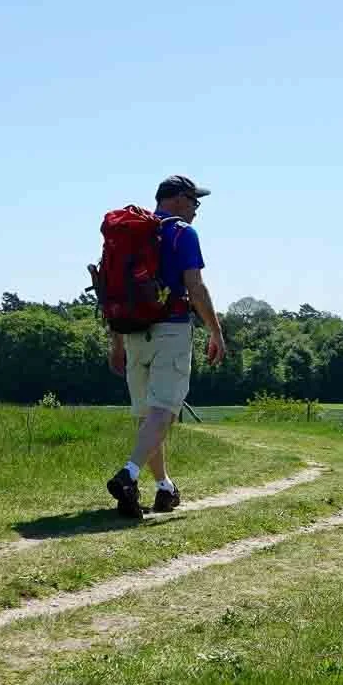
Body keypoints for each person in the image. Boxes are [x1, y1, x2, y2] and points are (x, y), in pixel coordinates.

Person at [106, 174, 227, 517]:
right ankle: (129, 474)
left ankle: (163, 488)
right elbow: (196, 287)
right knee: (164, 411)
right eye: (194, 201)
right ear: (175, 200)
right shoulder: (182, 234)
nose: (196, 210)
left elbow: (113, 293)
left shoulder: (130, 234)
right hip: (171, 329)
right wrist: (215, 332)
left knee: (148, 415)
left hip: (133, 332)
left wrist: (117, 343)